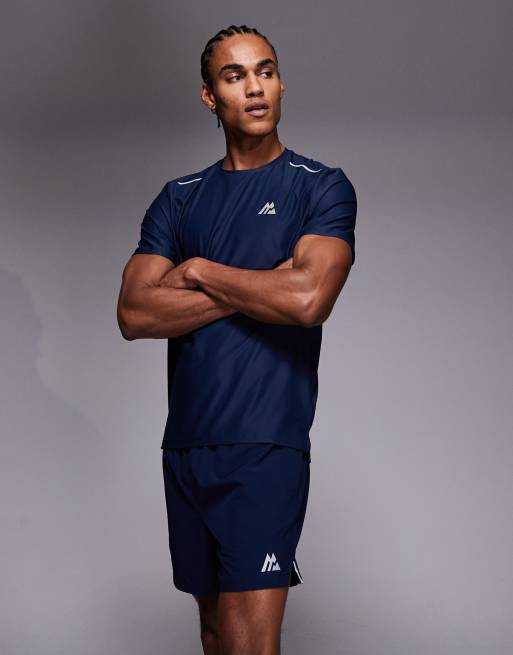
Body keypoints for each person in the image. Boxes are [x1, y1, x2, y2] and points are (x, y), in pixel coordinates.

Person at [117, 23, 357, 655]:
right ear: (210, 96)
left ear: (279, 83)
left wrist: (197, 271)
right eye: (235, 75)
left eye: (266, 72)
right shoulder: (179, 199)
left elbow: (307, 300)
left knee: (250, 644)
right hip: (186, 446)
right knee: (215, 634)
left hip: (264, 445)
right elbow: (135, 313)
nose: (255, 88)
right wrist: (259, 283)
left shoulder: (318, 186)